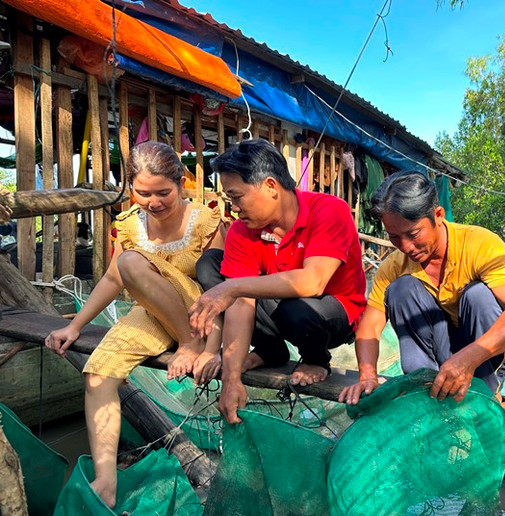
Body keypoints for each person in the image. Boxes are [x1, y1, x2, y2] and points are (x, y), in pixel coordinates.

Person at [44, 141, 226, 506]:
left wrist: (207, 349)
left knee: (130, 262)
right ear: (131, 187)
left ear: (181, 184)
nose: (153, 201)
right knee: (98, 374)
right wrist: (75, 326)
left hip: (200, 313)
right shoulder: (129, 225)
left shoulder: (205, 220)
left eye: (163, 192)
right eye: (143, 193)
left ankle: (186, 342)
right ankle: (106, 481)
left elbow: (219, 288)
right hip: (153, 314)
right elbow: (113, 280)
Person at [189, 138, 367, 425]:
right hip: (283, 307)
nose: (233, 208)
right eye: (230, 200)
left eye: (237, 197)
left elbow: (313, 282)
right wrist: (231, 378)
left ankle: (315, 359)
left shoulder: (329, 210)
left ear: (271, 186)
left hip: (333, 315)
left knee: (293, 308)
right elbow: (241, 304)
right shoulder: (242, 231)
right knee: (210, 265)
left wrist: (232, 287)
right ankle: (271, 350)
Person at [339, 171, 505, 405]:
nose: (405, 247)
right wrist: (368, 375)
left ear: (438, 215)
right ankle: (426, 389)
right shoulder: (394, 266)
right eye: (394, 237)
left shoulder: (480, 244)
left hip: (486, 354)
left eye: (413, 234)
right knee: (401, 289)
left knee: (478, 296)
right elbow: (370, 327)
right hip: (444, 353)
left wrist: (467, 359)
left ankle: (486, 391)